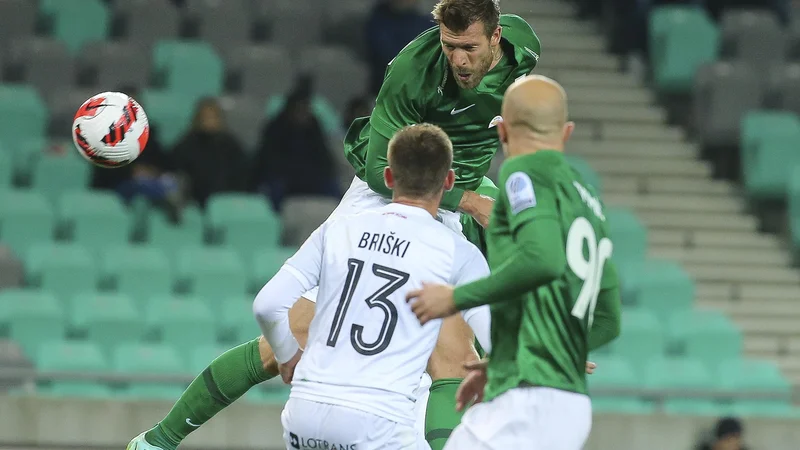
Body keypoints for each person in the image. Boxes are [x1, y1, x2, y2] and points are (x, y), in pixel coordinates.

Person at [126, 2, 540, 449]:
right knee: (283, 344)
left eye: (469, 48)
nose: (458, 59)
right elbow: (386, 166)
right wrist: (471, 199)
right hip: (387, 193)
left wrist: (483, 191)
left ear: (497, 37)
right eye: (449, 45)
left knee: (456, 357)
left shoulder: (526, 49)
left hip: (453, 191)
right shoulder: (411, 71)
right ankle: (156, 441)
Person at [407, 75, 622, 450]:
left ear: (502, 131)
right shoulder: (588, 201)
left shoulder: (521, 173)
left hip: (527, 403)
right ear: (566, 132)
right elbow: (608, 320)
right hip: (570, 404)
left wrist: (455, 298)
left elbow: (542, 260)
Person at [253, 124, 490, 450]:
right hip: (377, 420)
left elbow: (267, 304)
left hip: (304, 413)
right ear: (449, 182)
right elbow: (496, 341)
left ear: (388, 177)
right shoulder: (458, 252)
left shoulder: (338, 230)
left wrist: (288, 355)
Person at [251, 77, 341, 211]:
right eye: (298, 109)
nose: (302, 113)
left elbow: (324, 158)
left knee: (334, 188)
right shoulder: (275, 128)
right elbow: (268, 160)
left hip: (311, 177)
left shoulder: (314, 127)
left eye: (305, 109)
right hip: (284, 177)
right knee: (275, 188)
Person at [172, 97, 249, 208]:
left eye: (213, 117)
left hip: (226, 199)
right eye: (205, 117)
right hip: (194, 199)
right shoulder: (186, 144)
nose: (209, 121)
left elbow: (241, 175)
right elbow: (177, 169)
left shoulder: (232, 146)